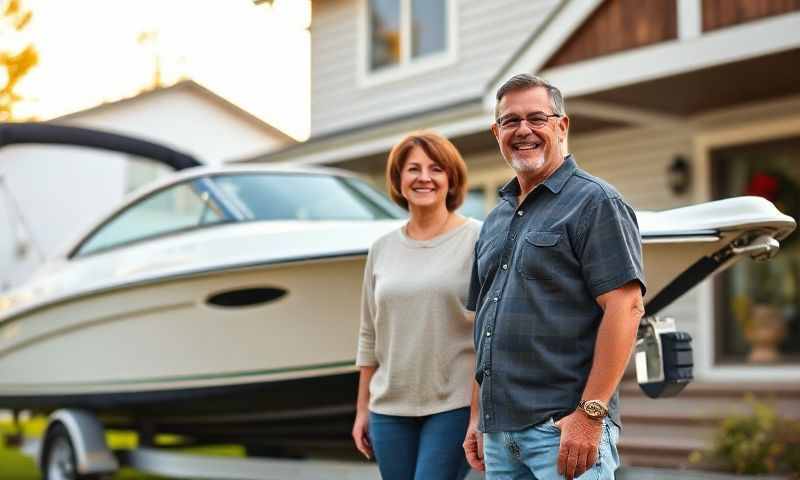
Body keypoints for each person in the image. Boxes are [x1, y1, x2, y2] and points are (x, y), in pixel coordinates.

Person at [462, 74, 646, 480]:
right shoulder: (495, 220)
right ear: (496, 133)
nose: (523, 130)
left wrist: (591, 414)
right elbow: (485, 326)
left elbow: (626, 306)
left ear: (562, 126)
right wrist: (478, 415)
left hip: (562, 432)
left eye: (536, 118)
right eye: (510, 121)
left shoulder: (596, 202)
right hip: (499, 436)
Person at [352, 131, 481, 480]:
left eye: (435, 168)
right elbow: (369, 333)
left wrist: (477, 413)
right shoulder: (381, 248)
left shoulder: (477, 240)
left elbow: (491, 332)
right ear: (398, 179)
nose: (424, 177)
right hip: (388, 409)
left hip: (453, 406)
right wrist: (362, 409)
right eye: (413, 169)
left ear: (451, 178)